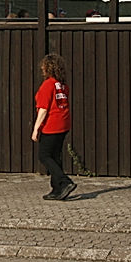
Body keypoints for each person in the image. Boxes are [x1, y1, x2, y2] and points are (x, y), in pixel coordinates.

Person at [32, 53, 75, 200]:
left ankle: (64, 182)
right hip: (63, 123)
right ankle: (57, 189)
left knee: (44, 155)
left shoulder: (47, 85)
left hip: (51, 124)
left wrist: (36, 128)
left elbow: (43, 109)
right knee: (55, 156)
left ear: (48, 68)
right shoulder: (62, 85)